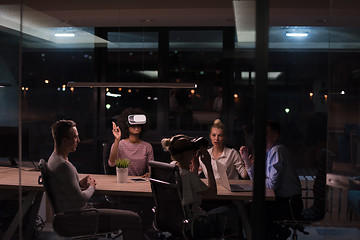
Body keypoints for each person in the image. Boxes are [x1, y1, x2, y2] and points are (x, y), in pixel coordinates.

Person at [47, 120, 143, 240]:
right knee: (133, 218)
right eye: (75, 137)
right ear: (65, 140)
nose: (79, 141)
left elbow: (65, 187)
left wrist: (78, 183)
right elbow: (81, 198)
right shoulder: (64, 166)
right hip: (79, 219)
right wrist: (91, 186)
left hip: (71, 216)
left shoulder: (54, 159)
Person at [162, 134, 242, 239]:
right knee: (232, 209)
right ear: (187, 153)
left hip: (177, 220)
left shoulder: (172, 167)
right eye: (192, 148)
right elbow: (212, 192)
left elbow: (189, 185)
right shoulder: (188, 175)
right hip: (195, 223)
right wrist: (208, 165)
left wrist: (195, 166)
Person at [239, 120, 303, 240]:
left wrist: (260, 181)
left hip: (290, 204)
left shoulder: (277, 151)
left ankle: (275, 234)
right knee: (249, 208)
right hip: (284, 201)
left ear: (275, 137)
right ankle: (277, 232)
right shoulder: (269, 153)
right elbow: (258, 179)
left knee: (252, 210)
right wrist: (246, 159)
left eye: (265, 133)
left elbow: (272, 185)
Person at [108, 108, 154, 178]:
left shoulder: (147, 147)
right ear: (126, 126)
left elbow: (151, 169)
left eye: (139, 125)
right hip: (122, 180)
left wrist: (149, 174)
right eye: (133, 125)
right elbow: (111, 163)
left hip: (140, 182)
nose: (136, 127)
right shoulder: (120, 145)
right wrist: (117, 139)